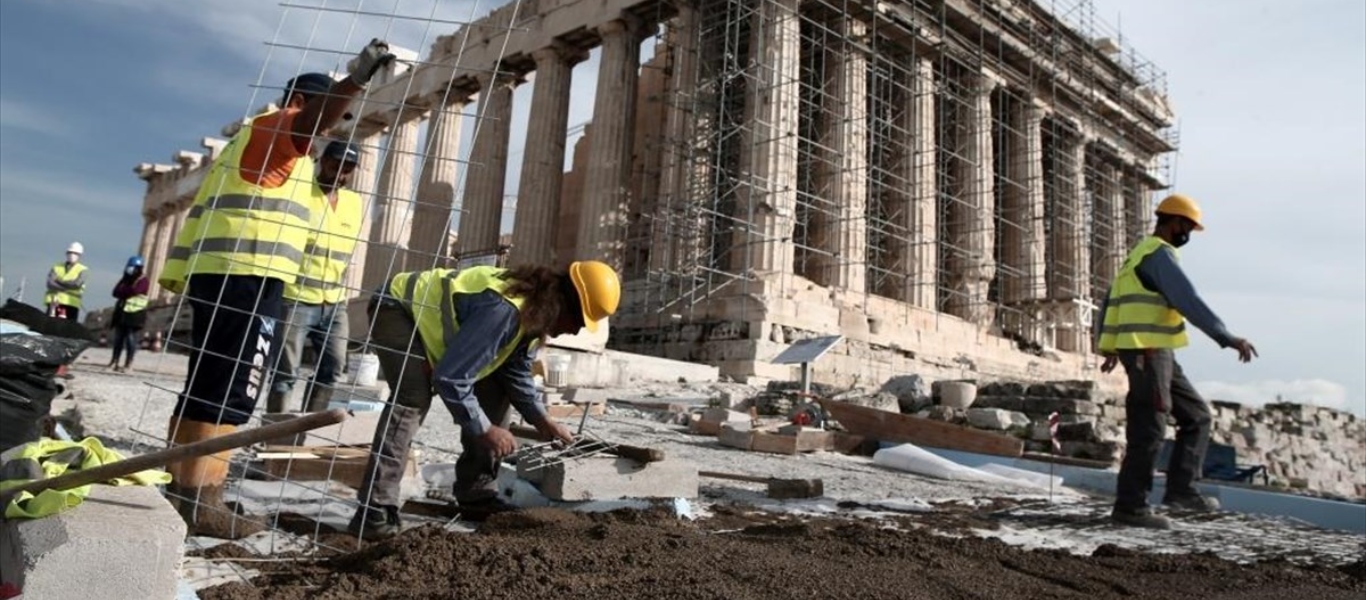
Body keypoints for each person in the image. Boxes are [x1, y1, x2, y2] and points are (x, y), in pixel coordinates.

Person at [155, 39, 396, 539]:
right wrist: (355, 80)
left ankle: (182, 490)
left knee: (206, 386)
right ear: (303, 103)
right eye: (332, 114)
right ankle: (203, 499)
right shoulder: (279, 129)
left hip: (229, 273)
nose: (331, 130)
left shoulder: (266, 148)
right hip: (247, 275)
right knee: (232, 390)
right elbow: (310, 122)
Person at [347, 260, 622, 538]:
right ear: (564, 304)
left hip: (423, 321)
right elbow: (450, 378)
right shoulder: (503, 311)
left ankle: (476, 493)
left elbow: (516, 373)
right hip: (397, 308)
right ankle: (375, 510)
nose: (575, 331)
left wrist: (542, 420)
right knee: (412, 399)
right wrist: (485, 429)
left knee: (496, 385)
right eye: (579, 322)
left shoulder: (533, 315)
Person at [1097, 193, 1258, 530]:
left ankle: (1182, 491)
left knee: (1197, 416)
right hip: (1146, 352)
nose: (1188, 235)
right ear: (1175, 223)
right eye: (1187, 227)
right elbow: (1187, 299)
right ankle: (1131, 507)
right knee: (1150, 427)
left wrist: (1110, 347)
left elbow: (1111, 302)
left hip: (1156, 351)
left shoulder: (1139, 253)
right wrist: (1226, 337)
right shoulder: (1159, 255)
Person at [266, 140, 365, 414]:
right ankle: (276, 432)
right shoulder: (298, 192)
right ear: (323, 161)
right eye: (336, 164)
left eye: (348, 168)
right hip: (295, 298)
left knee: (333, 368)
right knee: (285, 373)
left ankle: (308, 426)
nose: (341, 172)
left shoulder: (354, 202)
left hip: (335, 302)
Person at [108, 256, 151, 372]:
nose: (130, 269)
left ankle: (128, 364)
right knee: (118, 339)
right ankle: (114, 361)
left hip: (135, 314)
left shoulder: (143, 280)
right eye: (129, 267)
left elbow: (135, 291)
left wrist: (124, 292)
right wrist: (126, 291)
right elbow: (115, 292)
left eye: (133, 267)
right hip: (122, 313)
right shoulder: (125, 279)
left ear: (139, 268)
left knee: (130, 339)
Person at [44, 242, 87, 321]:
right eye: (70, 252)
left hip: (71, 304)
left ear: (79, 256)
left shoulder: (83, 270)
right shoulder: (56, 267)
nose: (72, 255)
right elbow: (50, 283)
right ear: (66, 253)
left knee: (68, 327)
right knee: (50, 325)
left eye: (75, 253)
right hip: (54, 302)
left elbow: (76, 284)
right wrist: (67, 286)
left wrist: (58, 280)